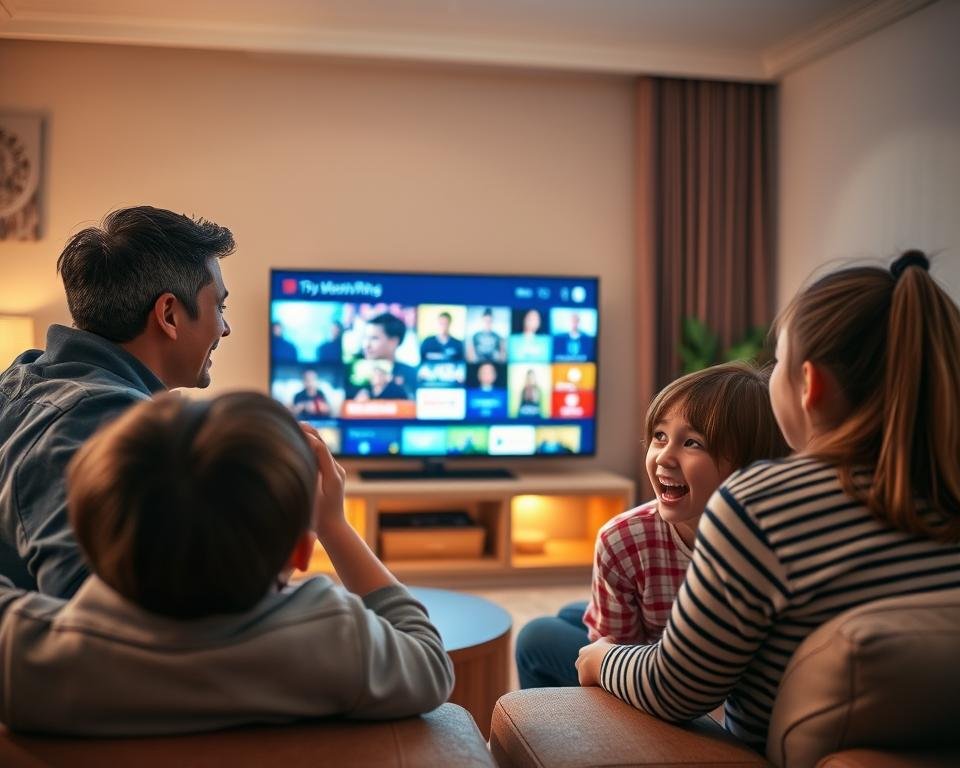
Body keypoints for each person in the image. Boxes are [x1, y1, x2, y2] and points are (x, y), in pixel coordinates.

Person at [576, 251, 960, 751]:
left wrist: (601, 659)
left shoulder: (764, 507)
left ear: (810, 386)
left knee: (548, 639)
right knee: (575, 615)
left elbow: (676, 690)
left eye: (777, 362)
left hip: (750, 751)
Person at [0, 392, 454, 735]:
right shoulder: (339, 646)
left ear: (86, 534)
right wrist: (333, 525)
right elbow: (430, 661)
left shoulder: (24, 654)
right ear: (300, 553)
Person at [0, 206, 233, 598]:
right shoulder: (102, 423)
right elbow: (102, 618)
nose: (225, 328)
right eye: (220, 307)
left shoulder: (25, 377)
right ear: (169, 315)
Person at [516, 361, 789, 688]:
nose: (663, 457)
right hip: (646, 656)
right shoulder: (623, 538)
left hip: (668, 685)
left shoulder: (765, 549)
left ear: (750, 464)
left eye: (692, 443)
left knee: (536, 637)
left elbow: (614, 666)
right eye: (660, 436)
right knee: (571, 613)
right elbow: (615, 646)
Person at [360, 312, 418, 395]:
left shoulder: (411, 375)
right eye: (365, 338)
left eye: (374, 338)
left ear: (393, 342)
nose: (366, 345)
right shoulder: (354, 372)